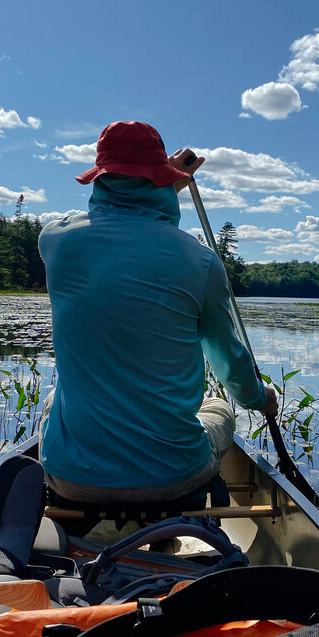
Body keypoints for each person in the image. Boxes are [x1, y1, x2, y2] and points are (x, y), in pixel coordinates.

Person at [37, 120, 278, 505]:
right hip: (172, 476)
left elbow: (115, 215)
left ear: (100, 175)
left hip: (71, 480)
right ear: (160, 178)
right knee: (215, 407)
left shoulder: (55, 241)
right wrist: (259, 397)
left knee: (56, 400)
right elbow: (227, 362)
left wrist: (161, 181)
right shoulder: (201, 262)